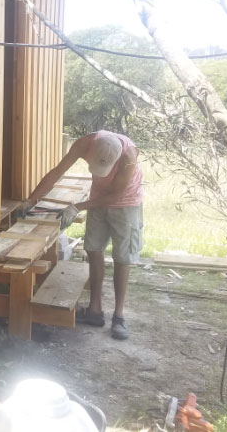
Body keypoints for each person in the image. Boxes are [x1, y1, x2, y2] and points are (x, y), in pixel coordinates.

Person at [21, 130, 144, 340]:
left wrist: (77, 207)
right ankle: (95, 310)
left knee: (122, 258)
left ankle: (118, 316)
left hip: (126, 203)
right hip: (97, 198)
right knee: (94, 249)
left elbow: (116, 195)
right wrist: (31, 200)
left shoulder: (129, 156)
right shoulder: (84, 143)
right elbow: (57, 172)